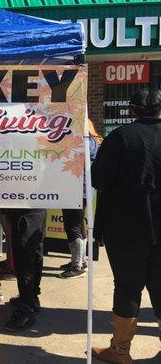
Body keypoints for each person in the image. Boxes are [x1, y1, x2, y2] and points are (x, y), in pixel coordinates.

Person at [91, 88, 161, 364]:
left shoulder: (121, 137)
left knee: (128, 287)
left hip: (127, 229)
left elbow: (99, 179)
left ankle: (120, 351)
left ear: (133, 111)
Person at [59, 120, 102, 279]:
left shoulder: (85, 142)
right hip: (82, 189)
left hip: (77, 189)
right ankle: (79, 261)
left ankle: (77, 266)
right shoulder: (93, 141)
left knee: (72, 226)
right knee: (77, 224)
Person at [3, 208, 46, 332]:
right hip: (33, 206)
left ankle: (26, 307)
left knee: (24, 258)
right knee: (34, 253)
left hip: (27, 208)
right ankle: (30, 298)